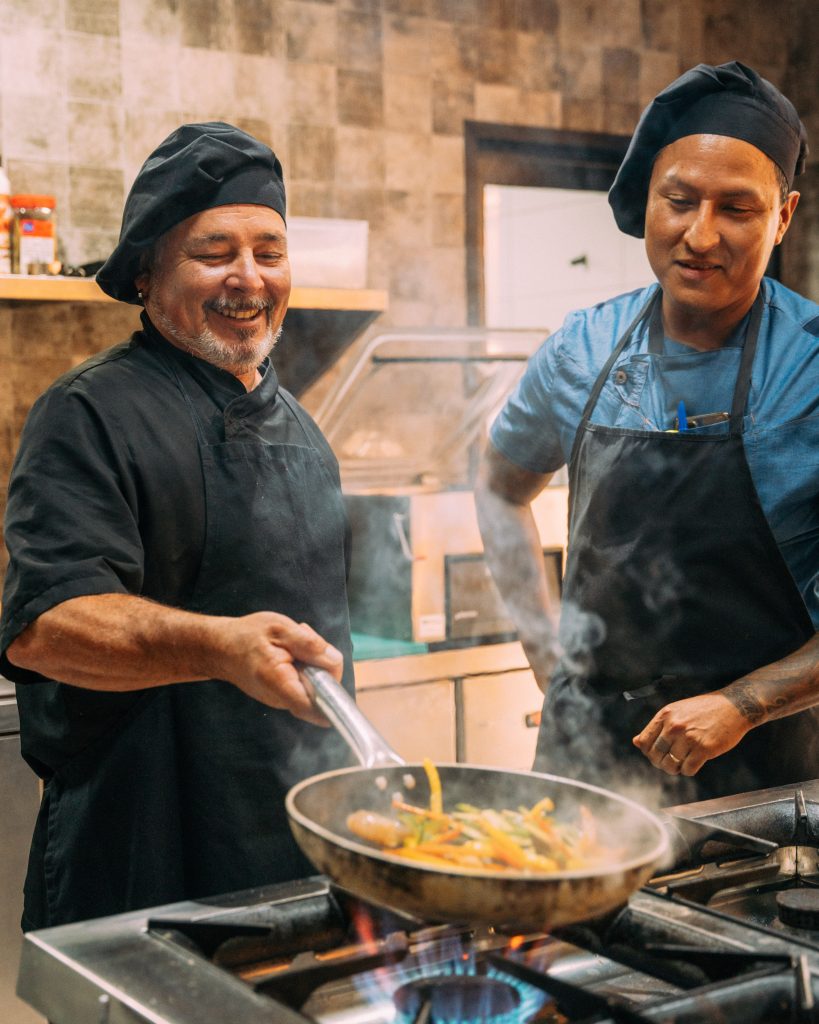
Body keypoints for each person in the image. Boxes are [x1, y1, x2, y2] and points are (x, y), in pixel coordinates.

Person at [0, 122, 356, 930]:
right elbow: (44, 627)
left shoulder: (306, 435)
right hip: (138, 842)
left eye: (269, 251)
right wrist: (218, 648)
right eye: (214, 252)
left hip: (287, 842)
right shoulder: (89, 410)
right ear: (146, 274)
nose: (248, 278)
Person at [476, 61, 819, 805]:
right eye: (679, 200)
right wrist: (547, 654)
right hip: (588, 758)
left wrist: (744, 704)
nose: (700, 235)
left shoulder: (811, 366)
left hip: (762, 775)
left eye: (736, 208)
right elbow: (499, 487)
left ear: (782, 217)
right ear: (649, 203)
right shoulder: (583, 348)